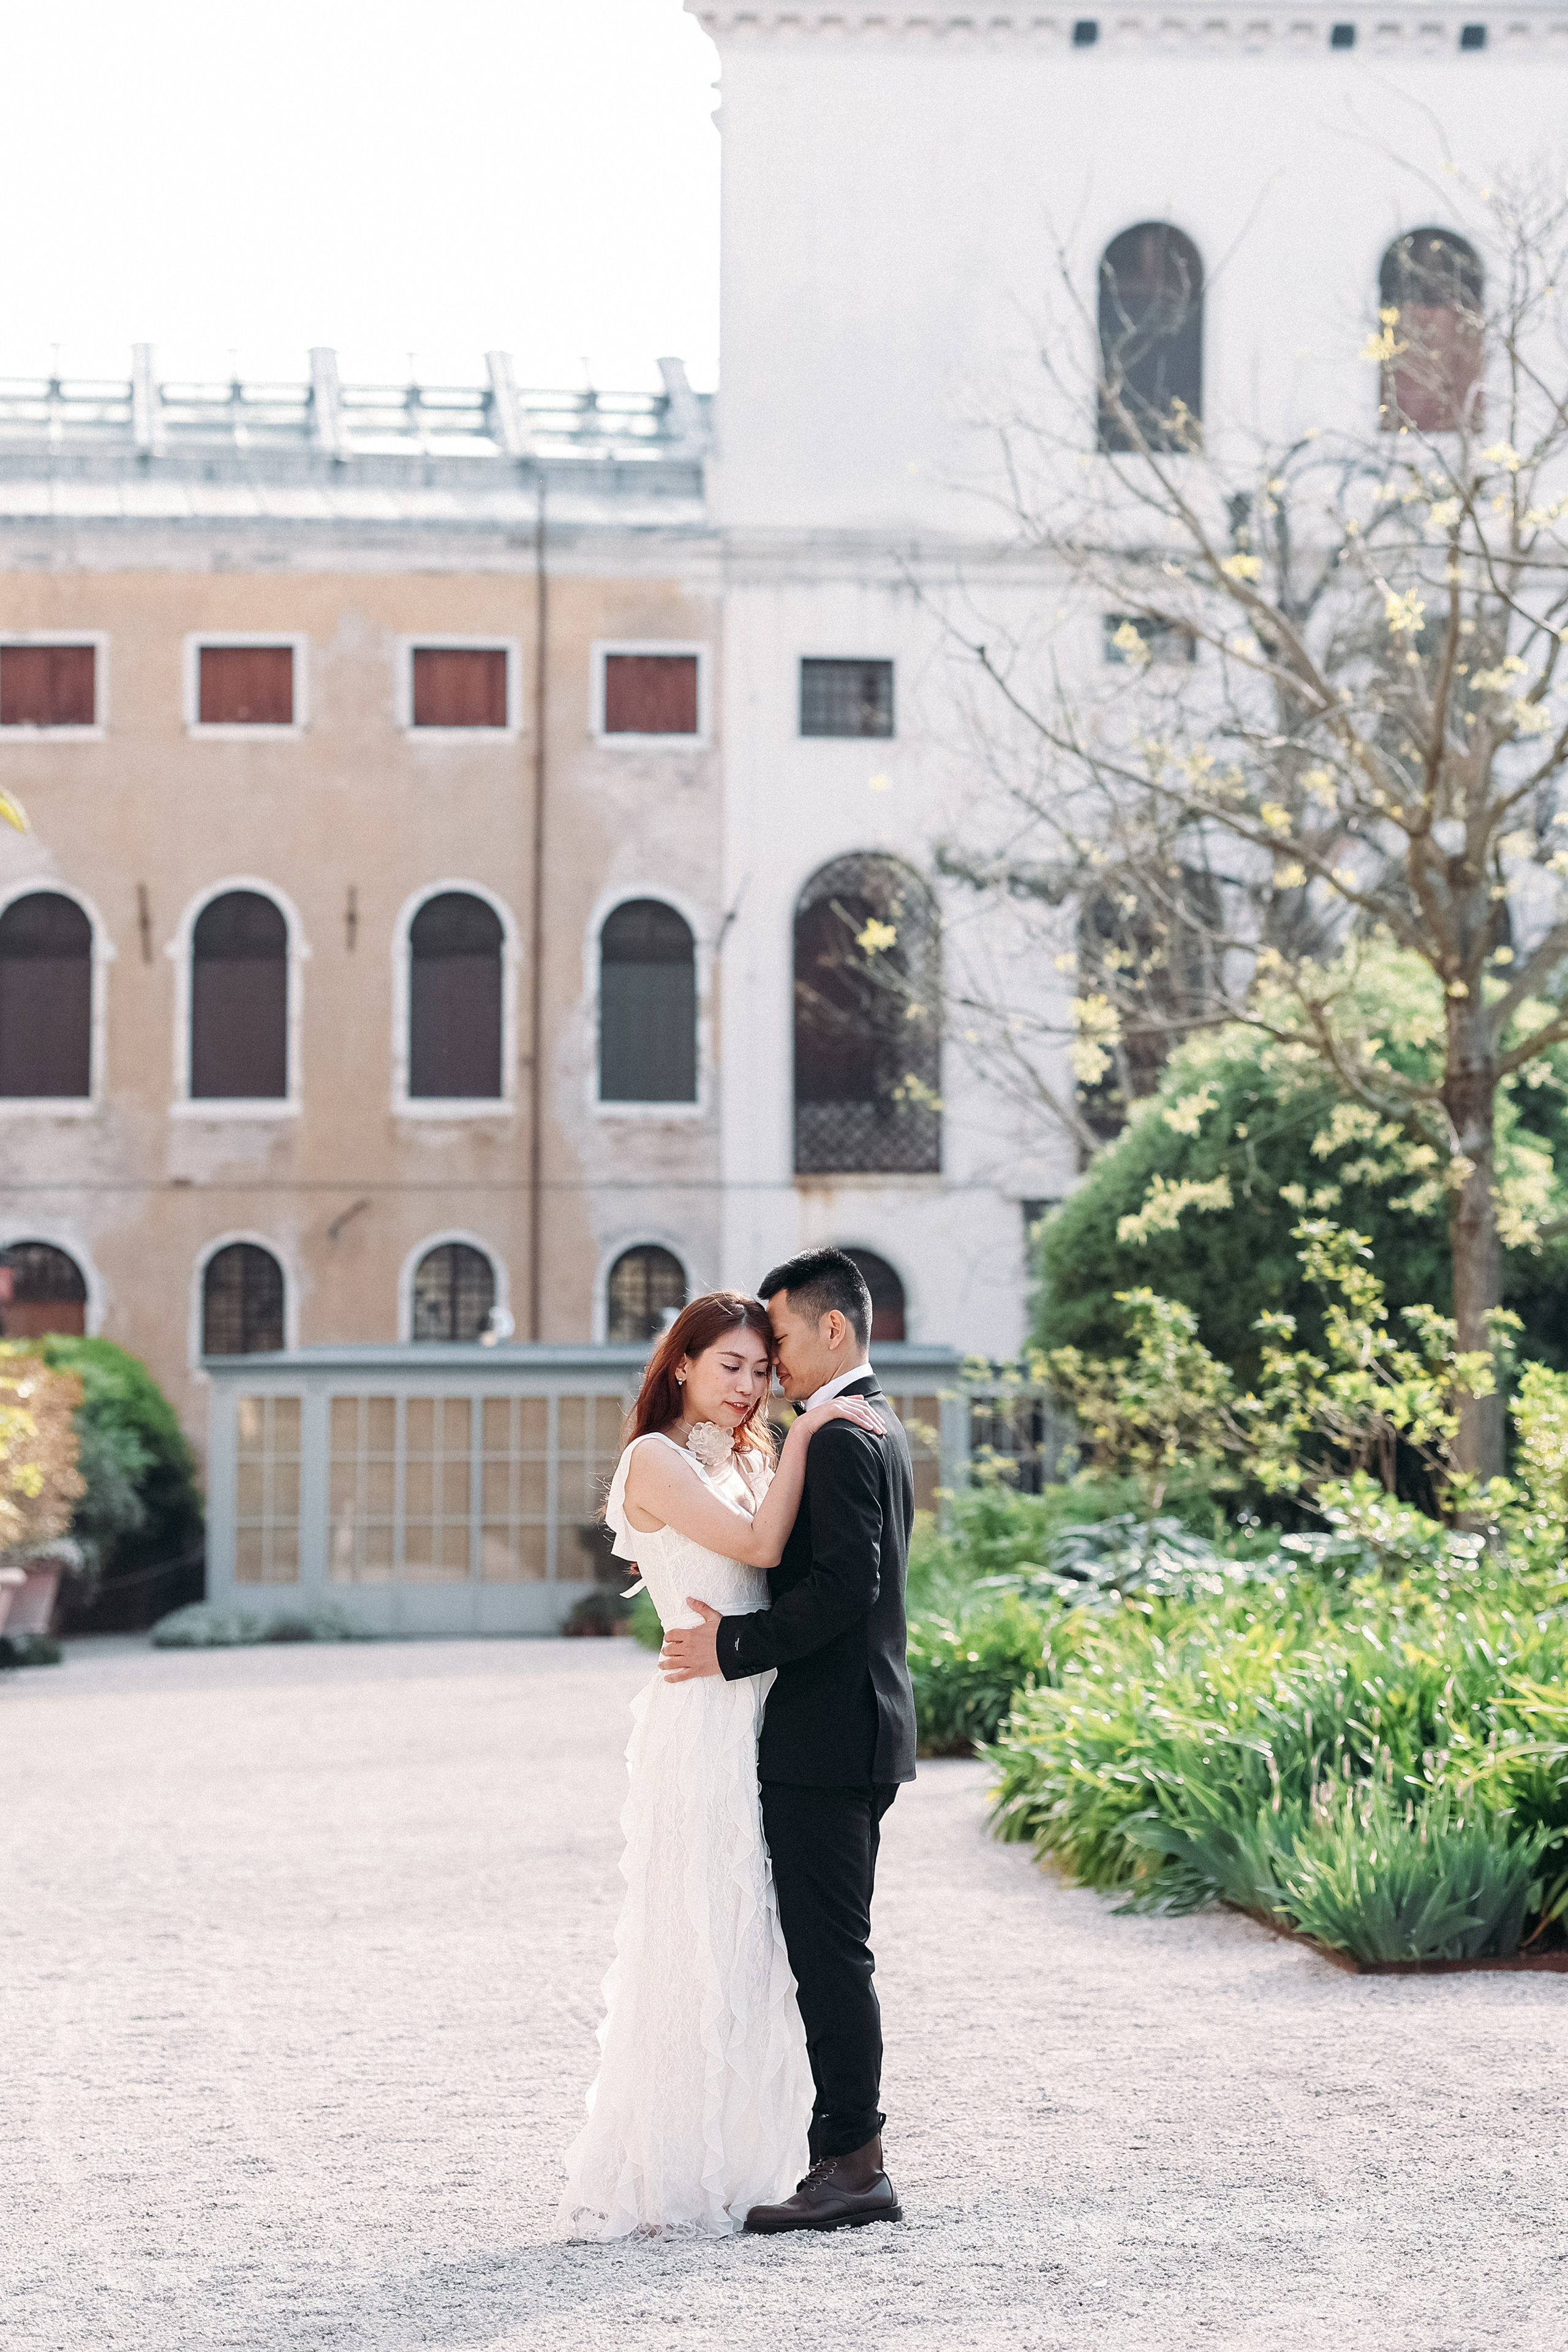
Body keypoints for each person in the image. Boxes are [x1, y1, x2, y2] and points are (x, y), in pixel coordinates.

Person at [558, 1288, 885, 2240]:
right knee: (694, 1931)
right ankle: (669, 2167)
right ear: (683, 1365)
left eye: (759, 1369)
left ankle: (750, 2156)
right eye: (730, 1367)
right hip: (701, 1713)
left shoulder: (748, 1456)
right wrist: (820, 1423)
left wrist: (793, 1441)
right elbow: (755, 1545)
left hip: (761, 1715)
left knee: (755, 1943)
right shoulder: (653, 1460)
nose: (749, 1388)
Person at [660, 1246, 916, 2235]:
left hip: (827, 1736)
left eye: (780, 1338)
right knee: (831, 1951)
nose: (771, 1359)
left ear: (833, 1329)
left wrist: (730, 1647)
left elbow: (845, 1590)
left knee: (831, 1957)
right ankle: (844, 2154)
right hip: (860, 1726)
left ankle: (853, 2164)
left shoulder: (844, 1433)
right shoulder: (868, 1425)